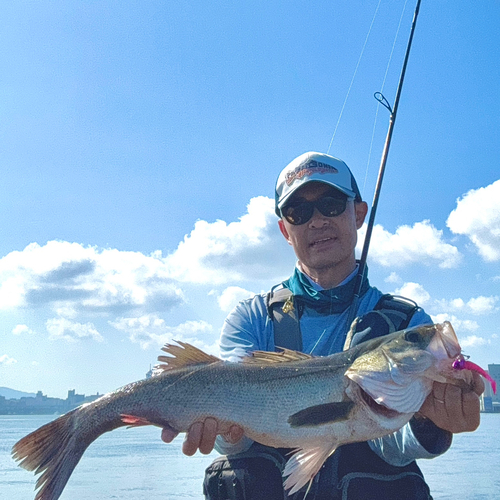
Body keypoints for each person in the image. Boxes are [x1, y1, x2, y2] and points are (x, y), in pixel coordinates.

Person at [162, 152, 484, 499]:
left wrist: (431, 421)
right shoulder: (251, 318)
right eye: (298, 212)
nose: (316, 221)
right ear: (285, 230)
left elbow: (392, 446)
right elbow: (235, 433)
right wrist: (227, 434)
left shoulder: (407, 323)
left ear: (358, 213)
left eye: (330, 204)